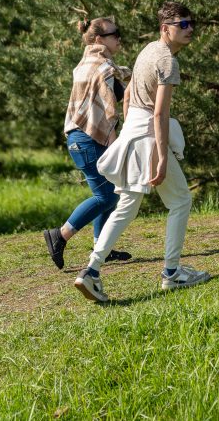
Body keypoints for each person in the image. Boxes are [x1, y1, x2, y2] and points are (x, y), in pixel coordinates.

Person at [74, 1, 210, 302]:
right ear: (166, 28)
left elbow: (127, 99)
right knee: (180, 201)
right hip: (147, 135)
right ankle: (172, 273)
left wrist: (129, 136)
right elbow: (160, 114)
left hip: (134, 133)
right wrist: (161, 156)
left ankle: (91, 270)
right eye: (182, 25)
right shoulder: (168, 62)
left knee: (127, 205)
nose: (190, 30)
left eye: (191, 23)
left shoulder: (148, 50)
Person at [42, 17, 133, 269]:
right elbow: (107, 110)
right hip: (87, 139)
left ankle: (100, 247)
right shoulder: (101, 67)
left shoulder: (91, 63)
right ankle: (60, 235)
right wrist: (116, 142)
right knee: (104, 196)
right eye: (115, 34)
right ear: (98, 39)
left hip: (80, 137)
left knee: (110, 194)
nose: (119, 38)